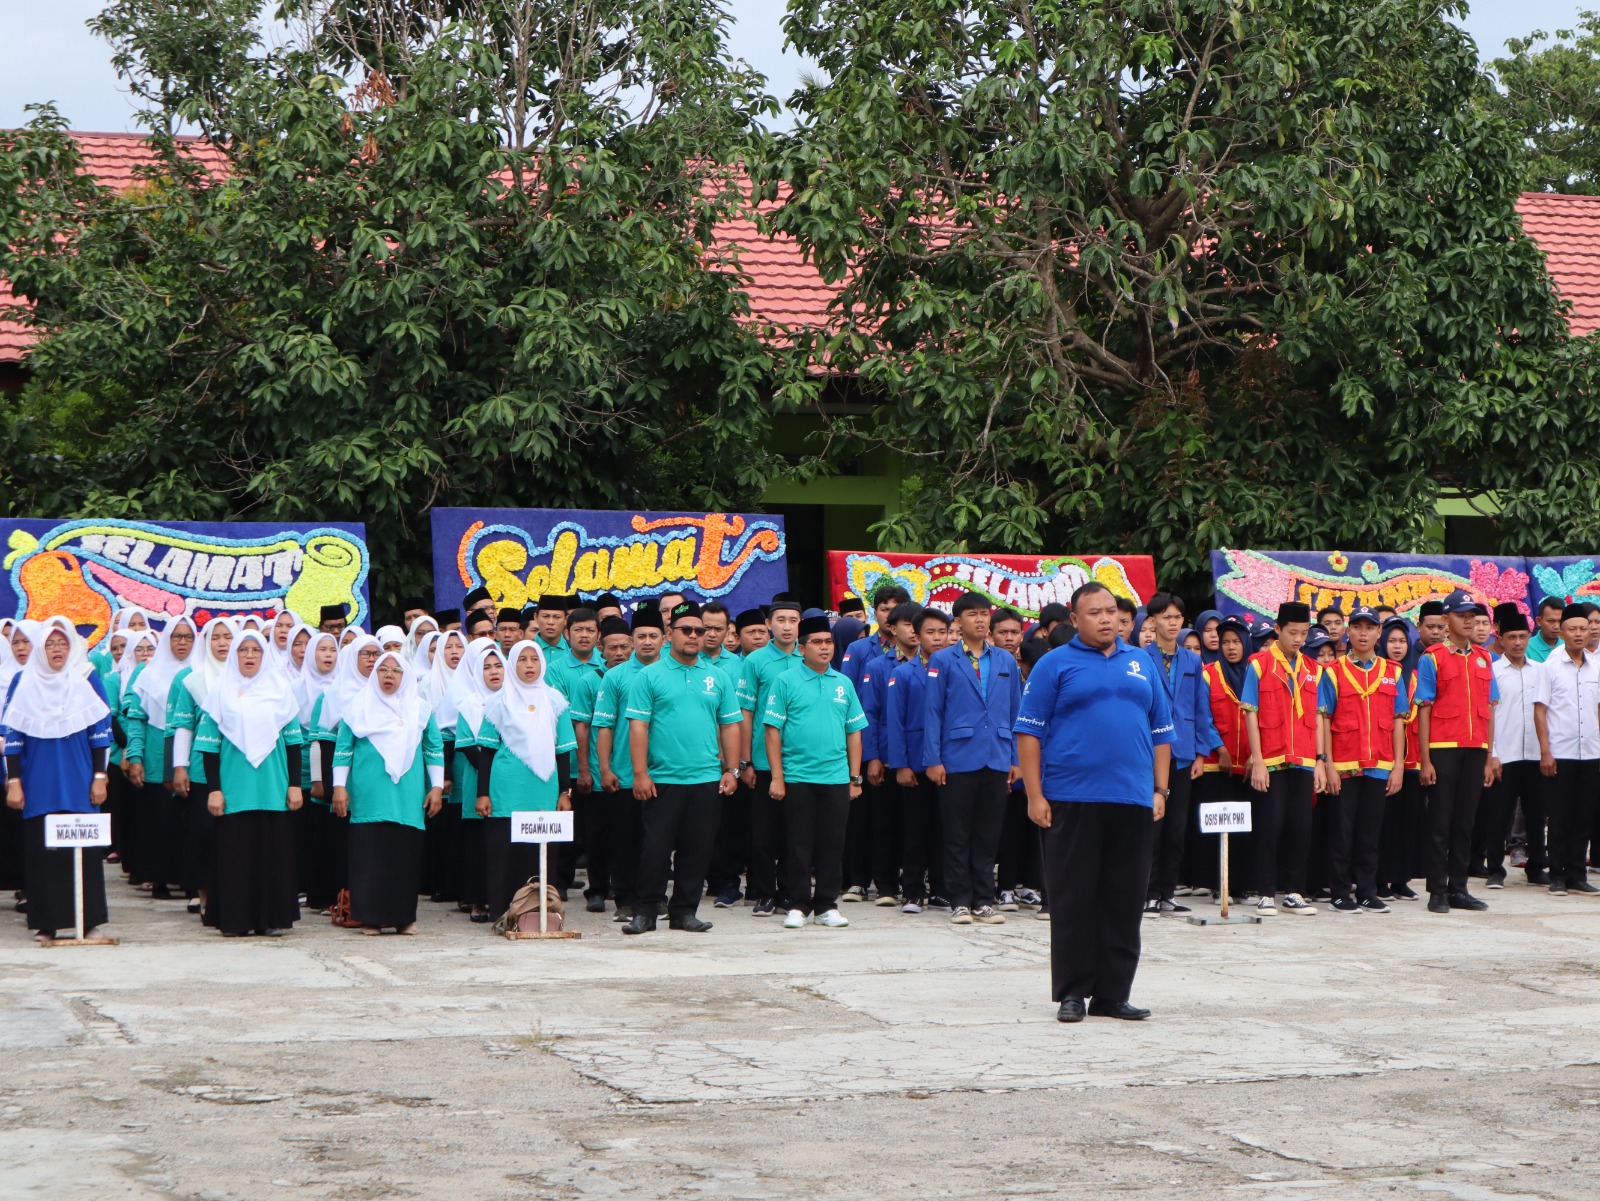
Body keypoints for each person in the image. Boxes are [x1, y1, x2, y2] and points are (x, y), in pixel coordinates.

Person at [1016, 582, 1173, 1024]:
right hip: (1071, 797)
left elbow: (1162, 731)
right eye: (1094, 613)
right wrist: (1034, 794)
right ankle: (1072, 992)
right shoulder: (1054, 664)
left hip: (1132, 797)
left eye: (1112, 611)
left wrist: (1159, 790)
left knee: (1124, 898)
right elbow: (1028, 732)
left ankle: (1113, 994)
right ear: (1075, 619)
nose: (1106, 619)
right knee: (1073, 897)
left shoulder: (1141, 662)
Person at [620, 601, 741, 934]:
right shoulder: (650, 676)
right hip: (662, 778)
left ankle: (684, 911)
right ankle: (644, 911)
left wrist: (732, 769)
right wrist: (641, 773)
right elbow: (638, 727)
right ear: (669, 634)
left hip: (705, 777)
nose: (693, 636)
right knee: (655, 850)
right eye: (686, 630)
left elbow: (731, 724)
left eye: (699, 631)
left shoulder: (717, 677)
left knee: (697, 849)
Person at [4, 619, 114, 943]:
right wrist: (14, 781)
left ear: (71, 647)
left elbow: (100, 735)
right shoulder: (23, 683)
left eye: (62, 644)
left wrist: (100, 777)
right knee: (43, 853)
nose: (56, 650)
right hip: (40, 782)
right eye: (50, 644)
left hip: (80, 779)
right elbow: (13, 737)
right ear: (41, 648)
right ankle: (46, 924)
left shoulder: (81, 682)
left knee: (86, 853)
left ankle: (89, 922)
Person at [196, 631, 305, 937]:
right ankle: (235, 920)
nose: (249, 655)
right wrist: (214, 789)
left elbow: (295, 744)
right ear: (234, 655)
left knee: (272, 855)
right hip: (235, 791)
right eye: (242, 649)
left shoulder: (281, 692)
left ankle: (270, 919)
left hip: (272, 789)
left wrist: (294, 784)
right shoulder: (221, 692)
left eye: (256, 650)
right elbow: (208, 748)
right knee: (235, 857)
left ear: (264, 655)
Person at [923, 593, 1023, 925]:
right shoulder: (943, 660)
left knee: (987, 833)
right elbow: (933, 712)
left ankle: (983, 898)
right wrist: (933, 759)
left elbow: (1015, 712)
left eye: (984, 614)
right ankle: (960, 900)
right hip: (956, 757)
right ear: (959, 622)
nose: (980, 620)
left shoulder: (1006, 661)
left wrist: (1015, 758)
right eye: (972, 614)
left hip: (996, 755)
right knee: (956, 833)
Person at [764, 614, 867, 929]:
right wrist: (778, 777)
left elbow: (854, 732)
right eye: (817, 642)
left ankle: (826, 905)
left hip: (836, 778)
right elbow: (772, 731)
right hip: (797, 776)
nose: (824, 648)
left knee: (832, 843)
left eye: (828, 642)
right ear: (802, 646)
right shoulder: (785, 681)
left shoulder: (843, 683)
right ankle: (797, 904)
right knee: (798, 843)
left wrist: (854, 777)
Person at [332, 651, 445, 934]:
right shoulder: (358, 706)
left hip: (407, 797)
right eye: (383, 670)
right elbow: (343, 749)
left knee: (403, 857)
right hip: (369, 795)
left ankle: (403, 918)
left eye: (396, 670)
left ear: (405, 676)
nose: (389, 675)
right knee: (369, 858)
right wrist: (339, 786)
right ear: (374, 674)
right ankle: (370, 919)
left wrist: (437, 787)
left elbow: (433, 749)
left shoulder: (420, 709)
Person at [473, 642, 576, 921]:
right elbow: (487, 752)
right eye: (522, 660)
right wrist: (482, 794)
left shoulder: (556, 701)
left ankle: (540, 913)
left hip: (544, 790)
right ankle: (502, 912)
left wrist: (565, 792)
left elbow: (564, 750)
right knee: (504, 852)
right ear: (512, 665)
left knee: (541, 852)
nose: (529, 665)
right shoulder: (498, 702)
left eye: (534, 659)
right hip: (506, 789)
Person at [1317, 605, 1408, 914]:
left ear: (1378, 632)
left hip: (1380, 765)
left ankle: (1367, 891)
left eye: (1370, 627)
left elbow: (1399, 720)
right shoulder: (1333, 671)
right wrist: (1326, 763)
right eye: (1357, 627)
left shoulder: (1393, 672)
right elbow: (1324, 718)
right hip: (1343, 764)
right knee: (1341, 832)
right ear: (1348, 632)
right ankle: (1340, 892)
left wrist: (1398, 766)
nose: (1364, 633)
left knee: (1370, 832)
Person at [1414, 589, 1498, 913]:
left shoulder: (1484, 657)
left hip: (1476, 748)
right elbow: (1423, 710)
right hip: (1443, 748)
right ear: (1447, 620)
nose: (1468, 620)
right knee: (1440, 821)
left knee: (1465, 822)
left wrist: (1489, 757)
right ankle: (1437, 891)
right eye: (1461, 615)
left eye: (1471, 615)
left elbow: (1490, 710)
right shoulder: (1432, 657)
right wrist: (1425, 760)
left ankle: (1459, 888)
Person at [1239, 602, 1323, 916]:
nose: (1299, 639)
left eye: (1303, 633)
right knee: (1269, 827)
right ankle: (1265, 893)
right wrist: (1257, 760)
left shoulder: (1314, 669)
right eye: (1292, 632)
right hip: (1271, 758)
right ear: (1278, 629)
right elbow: (1250, 712)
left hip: (1303, 758)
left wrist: (1318, 760)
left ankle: (1295, 891)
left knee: (1300, 828)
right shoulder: (1259, 664)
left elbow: (1317, 717)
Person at [1140, 593, 1220, 916]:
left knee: (1176, 826)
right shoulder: (1141, 657)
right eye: (1166, 617)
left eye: (1177, 618)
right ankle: (1147, 892)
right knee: (1151, 826)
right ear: (1153, 621)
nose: (1172, 623)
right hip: (1151, 752)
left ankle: (1168, 893)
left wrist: (1201, 752)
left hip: (1185, 751)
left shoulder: (1193, 660)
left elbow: (1201, 707)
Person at [592, 607, 665, 922]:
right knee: (625, 839)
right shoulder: (615, 676)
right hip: (623, 773)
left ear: (664, 638)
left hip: (664, 772)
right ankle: (625, 899)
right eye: (641, 637)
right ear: (632, 641)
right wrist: (605, 769)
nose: (647, 642)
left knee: (659, 842)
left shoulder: (673, 672)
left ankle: (657, 898)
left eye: (653, 636)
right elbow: (604, 727)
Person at [736, 597, 804, 917]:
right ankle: (764, 893)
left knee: (796, 833)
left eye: (793, 620)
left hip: (801, 762)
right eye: (781, 620)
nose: (787, 626)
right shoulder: (756, 661)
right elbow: (746, 713)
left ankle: (791, 893)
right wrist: (745, 761)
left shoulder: (810, 659)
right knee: (763, 834)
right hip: (763, 761)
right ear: (769, 624)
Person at [123, 615, 199, 900]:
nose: (182, 642)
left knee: (188, 821)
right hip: (156, 757)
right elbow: (136, 717)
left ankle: (189, 879)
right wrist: (135, 756)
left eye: (188, 637)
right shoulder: (148, 673)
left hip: (190, 757)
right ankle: (160, 878)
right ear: (167, 640)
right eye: (176, 637)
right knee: (159, 821)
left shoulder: (200, 672)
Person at [853, 601, 921, 905]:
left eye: (917, 624)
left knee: (917, 825)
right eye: (907, 624)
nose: (913, 630)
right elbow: (870, 713)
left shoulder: (933, 664)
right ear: (892, 628)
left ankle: (916, 887)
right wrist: (874, 757)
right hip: (886, 755)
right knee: (885, 823)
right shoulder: (877, 666)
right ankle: (886, 886)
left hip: (919, 758)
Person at [566, 615, 633, 914]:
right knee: (596, 835)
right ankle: (596, 889)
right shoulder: (588, 681)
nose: (618, 653)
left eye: (623, 647)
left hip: (629, 773)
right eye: (612, 648)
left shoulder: (641, 678)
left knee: (625, 837)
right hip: (594, 772)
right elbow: (580, 727)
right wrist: (583, 769)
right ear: (600, 649)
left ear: (631, 647)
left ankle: (623, 891)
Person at [886, 607, 951, 913]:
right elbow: (895, 723)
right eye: (930, 632)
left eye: (942, 632)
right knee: (916, 829)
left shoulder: (957, 670)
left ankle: (941, 888)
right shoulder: (902, 673)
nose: (937, 639)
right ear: (918, 635)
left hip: (950, 763)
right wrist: (900, 764)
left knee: (945, 828)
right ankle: (913, 890)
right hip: (915, 761)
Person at [167, 617, 234, 914]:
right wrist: (179, 767)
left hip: (237, 770)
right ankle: (205, 897)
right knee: (204, 833)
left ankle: (232, 895)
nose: (222, 643)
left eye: (227, 637)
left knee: (233, 836)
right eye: (215, 637)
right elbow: (183, 726)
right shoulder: (192, 681)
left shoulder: (248, 677)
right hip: (202, 768)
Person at [1533, 603, 1598, 897]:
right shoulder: (1550, 665)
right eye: (1572, 629)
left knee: (1584, 815)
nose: (1578, 634)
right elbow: (1540, 711)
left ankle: (1577, 874)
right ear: (1562, 631)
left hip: (1590, 750)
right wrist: (1545, 752)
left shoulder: (1596, 664)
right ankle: (1557, 874)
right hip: (1560, 752)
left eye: (1583, 629)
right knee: (1559, 816)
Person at [1482, 611, 1545, 888]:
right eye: (1512, 637)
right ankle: (1495, 869)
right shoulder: (1492, 672)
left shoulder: (1540, 671)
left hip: (1534, 754)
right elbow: (1487, 714)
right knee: (1499, 815)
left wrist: (1546, 751)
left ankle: (1536, 868)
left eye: (1522, 637)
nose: (1518, 643)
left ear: (1528, 637)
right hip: (1504, 755)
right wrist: (1492, 753)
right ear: (1501, 639)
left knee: (1536, 813)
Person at [450, 639, 506, 923]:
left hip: (511, 783)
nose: (494, 672)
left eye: (498, 665)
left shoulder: (514, 699)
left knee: (503, 842)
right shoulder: (469, 705)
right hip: (478, 782)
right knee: (478, 846)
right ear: (475, 672)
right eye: (486, 668)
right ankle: (478, 901)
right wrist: (492, 768)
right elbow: (466, 744)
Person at [1377, 616, 1426, 900]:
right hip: (1385, 759)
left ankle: (1401, 879)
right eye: (1392, 641)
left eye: (1401, 641)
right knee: (1385, 823)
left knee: (1409, 822)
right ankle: (1381, 879)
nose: (1397, 647)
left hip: (1413, 761)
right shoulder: (1380, 672)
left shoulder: (1417, 675)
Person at [1527, 597, 1564, 663]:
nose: (1556, 626)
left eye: (1560, 621)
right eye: (1551, 621)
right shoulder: (1526, 648)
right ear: (1539, 621)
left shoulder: (1568, 646)